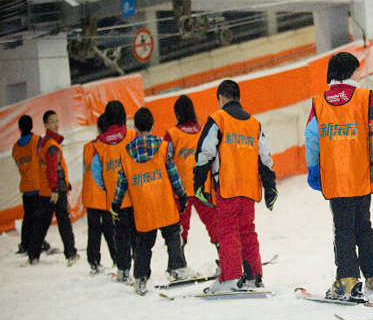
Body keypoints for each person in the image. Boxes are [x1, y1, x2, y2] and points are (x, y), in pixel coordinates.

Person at [304, 52, 373, 301]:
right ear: (353, 72)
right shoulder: (363, 98)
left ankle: (347, 280)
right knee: (364, 226)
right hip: (361, 176)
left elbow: (311, 137)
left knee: (343, 229)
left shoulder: (319, 103)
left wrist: (314, 168)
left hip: (335, 179)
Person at [193, 79, 277, 292]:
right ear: (239, 98)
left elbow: (205, 153)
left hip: (227, 187)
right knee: (248, 230)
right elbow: (265, 158)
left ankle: (230, 278)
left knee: (228, 230)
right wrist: (270, 187)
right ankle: (254, 276)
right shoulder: (253, 123)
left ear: (221, 98)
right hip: (249, 189)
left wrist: (198, 183)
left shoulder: (218, 119)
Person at [111, 107, 193, 295]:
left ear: (135, 128)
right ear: (153, 125)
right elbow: (173, 174)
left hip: (143, 209)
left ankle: (140, 278)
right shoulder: (163, 147)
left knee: (143, 244)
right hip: (164, 204)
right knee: (173, 235)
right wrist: (181, 194)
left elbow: (122, 181)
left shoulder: (125, 154)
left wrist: (116, 203)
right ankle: (176, 268)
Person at [163, 95, 218, 254]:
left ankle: (178, 263)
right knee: (214, 224)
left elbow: (164, 161)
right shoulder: (203, 131)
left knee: (179, 228)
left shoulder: (171, 135)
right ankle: (225, 260)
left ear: (177, 114)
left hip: (180, 190)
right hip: (203, 187)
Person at [92, 101, 137, 283]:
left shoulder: (100, 144)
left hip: (114, 201)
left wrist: (107, 188)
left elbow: (96, 172)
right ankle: (140, 270)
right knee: (138, 234)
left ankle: (123, 270)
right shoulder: (132, 136)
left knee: (121, 236)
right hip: (134, 196)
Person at [27, 111, 79, 266]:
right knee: (64, 221)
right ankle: (70, 253)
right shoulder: (51, 145)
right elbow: (52, 169)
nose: (56, 124)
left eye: (57, 121)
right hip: (54, 191)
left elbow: (54, 168)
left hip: (46, 190)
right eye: (52, 122)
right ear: (45, 125)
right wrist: (56, 189)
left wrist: (64, 183)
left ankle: (33, 254)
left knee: (42, 222)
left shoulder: (45, 142)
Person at [12, 115, 53, 255]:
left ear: (19, 128)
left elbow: (19, 165)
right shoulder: (37, 141)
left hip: (26, 187)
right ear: (32, 126)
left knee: (27, 218)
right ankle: (38, 243)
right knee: (39, 219)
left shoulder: (15, 148)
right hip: (39, 187)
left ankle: (25, 244)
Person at [83, 114, 117, 274]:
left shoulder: (88, 147)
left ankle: (93, 261)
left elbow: (85, 171)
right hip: (106, 195)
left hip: (91, 195)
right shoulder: (109, 145)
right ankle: (117, 260)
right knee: (111, 230)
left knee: (93, 231)